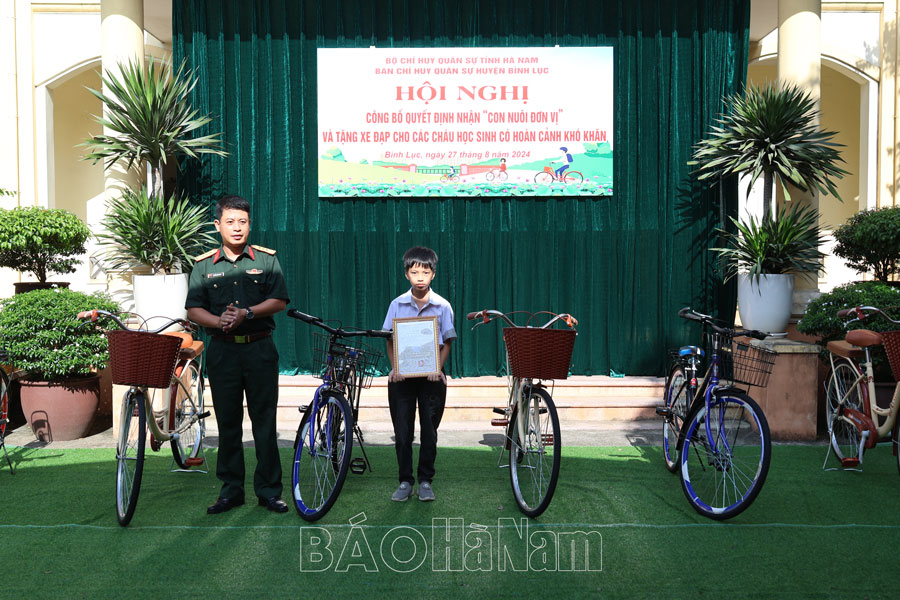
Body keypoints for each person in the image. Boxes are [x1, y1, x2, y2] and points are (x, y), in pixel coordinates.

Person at [185, 194, 290, 514]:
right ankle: (231, 491)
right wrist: (218, 321)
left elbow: (279, 300)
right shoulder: (204, 265)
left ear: (250, 224)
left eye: (242, 221)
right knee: (228, 423)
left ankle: (269, 491)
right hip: (223, 351)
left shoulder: (266, 260)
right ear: (217, 225)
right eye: (230, 221)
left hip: (259, 348)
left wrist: (247, 313)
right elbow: (193, 309)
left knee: (264, 422)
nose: (236, 227)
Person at [383, 246, 456, 502]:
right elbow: (390, 340)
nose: (420, 277)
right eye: (415, 272)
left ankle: (425, 481)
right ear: (406, 274)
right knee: (403, 432)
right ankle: (405, 481)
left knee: (429, 432)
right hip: (402, 378)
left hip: (432, 378)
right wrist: (395, 368)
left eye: (425, 272)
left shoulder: (443, 306)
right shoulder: (396, 304)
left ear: (433, 274)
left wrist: (437, 368)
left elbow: (447, 342)